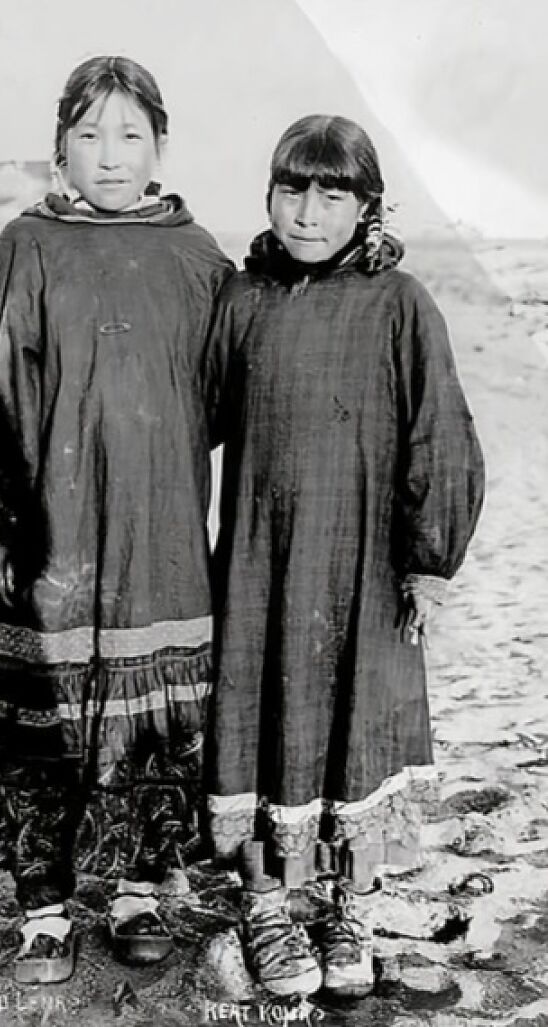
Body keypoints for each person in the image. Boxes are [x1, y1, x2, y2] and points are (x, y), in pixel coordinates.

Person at [0, 55, 233, 983]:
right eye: (89, 134)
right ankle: (44, 906)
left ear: (161, 145)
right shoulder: (27, 246)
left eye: (130, 134)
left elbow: (222, 395)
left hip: (157, 534)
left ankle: (137, 890)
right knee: (40, 721)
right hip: (44, 536)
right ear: (60, 147)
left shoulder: (197, 256)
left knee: (153, 723)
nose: (110, 154)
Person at [204, 115, 484, 998]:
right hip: (261, 562)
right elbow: (192, 415)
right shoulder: (242, 298)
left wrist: (430, 558)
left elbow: (440, 431)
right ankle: (265, 904)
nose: (308, 212)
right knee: (260, 720)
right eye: (292, 190)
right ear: (269, 195)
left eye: (333, 194)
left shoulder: (400, 302)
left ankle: (344, 904)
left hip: (364, 566)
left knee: (353, 728)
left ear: (368, 205)